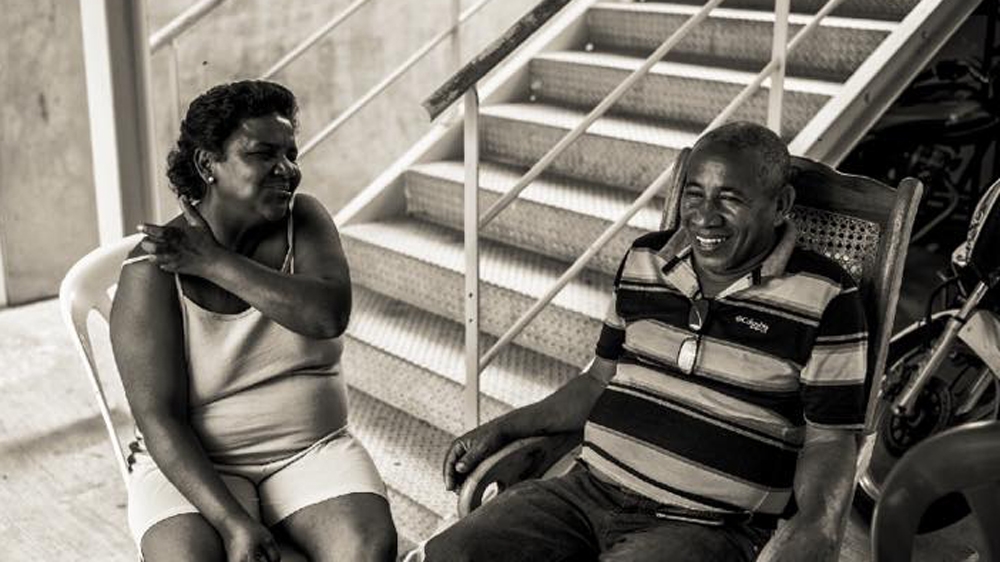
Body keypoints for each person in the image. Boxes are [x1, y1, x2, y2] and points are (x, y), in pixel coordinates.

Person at [426, 121, 867, 561]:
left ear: (780, 204)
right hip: (585, 491)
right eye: (694, 193)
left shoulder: (825, 296)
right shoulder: (645, 260)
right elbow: (598, 380)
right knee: (452, 553)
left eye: (730, 199)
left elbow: (829, 440)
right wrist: (503, 428)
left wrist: (819, 524)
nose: (704, 216)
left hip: (707, 526)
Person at [110, 80, 397, 562]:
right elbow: (158, 416)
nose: (287, 169)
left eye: (290, 152)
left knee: (367, 550)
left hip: (312, 451)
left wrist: (212, 262)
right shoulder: (150, 272)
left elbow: (326, 315)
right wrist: (232, 523)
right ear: (208, 165)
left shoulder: (303, 221)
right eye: (263, 154)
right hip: (201, 465)